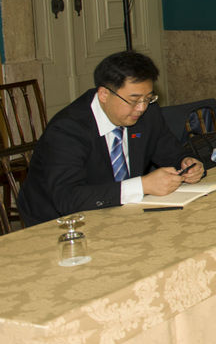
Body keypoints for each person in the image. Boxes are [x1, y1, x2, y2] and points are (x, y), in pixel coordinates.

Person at [17, 51, 204, 227]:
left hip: (122, 214)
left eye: (148, 98)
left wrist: (187, 163)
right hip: (60, 223)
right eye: (134, 100)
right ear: (104, 94)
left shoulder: (148, 114)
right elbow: (69, 198)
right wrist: (143, 185)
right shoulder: (67, 129)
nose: (141, 108)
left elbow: (170, 153)